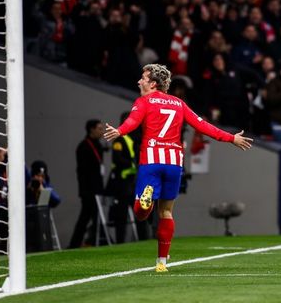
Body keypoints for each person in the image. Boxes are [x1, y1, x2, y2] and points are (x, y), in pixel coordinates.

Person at [104, 64, 252, 272]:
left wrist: (119, 131)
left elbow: (133, 121)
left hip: (152, 159)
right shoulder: (179, 103)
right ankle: (162, 263)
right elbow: (203, 125)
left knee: (141, 213)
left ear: (153, 83)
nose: (139, 81)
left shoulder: (144, 101)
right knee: (166, 212)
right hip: (174, 163)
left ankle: (146, 201)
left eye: (143, 78)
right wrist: (231, 138)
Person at [69, 119, 105, 248]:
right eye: (99, 128)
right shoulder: (84, 146)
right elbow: (83, 171)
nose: (102, 131)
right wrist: (88, 190)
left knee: (93, 216)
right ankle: (76, 243)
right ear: (92, 129)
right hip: (88, 190)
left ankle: (92, 241)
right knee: (86, 216)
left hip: (96, 188)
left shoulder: (98, 145)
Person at [105, 112, 137, 243]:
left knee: (135, 210)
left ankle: (136, 239)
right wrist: (132, 163)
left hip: (130, 180)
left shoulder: (131, 138)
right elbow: (117, 159)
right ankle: (120, 241)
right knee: (121, 213)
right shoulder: (119, 139)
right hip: (121, 182)